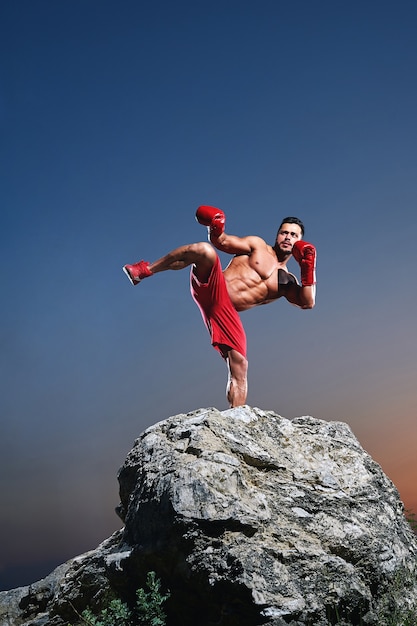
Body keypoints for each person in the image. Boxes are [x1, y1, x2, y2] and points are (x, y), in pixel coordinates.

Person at [123, 206, 316, 408]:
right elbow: (221, 241)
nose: (287, 237)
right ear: (277, 235)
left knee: (240, 365)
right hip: (214, 285)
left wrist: (308, 267)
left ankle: (236, 418)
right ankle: (144, 270)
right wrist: (215, 227)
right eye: (284, 232)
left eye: (294, 235)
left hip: (225, 312)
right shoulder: (257, 245)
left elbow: (307, 302)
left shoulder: (287, 281)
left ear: (299, 241)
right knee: (204, 250)